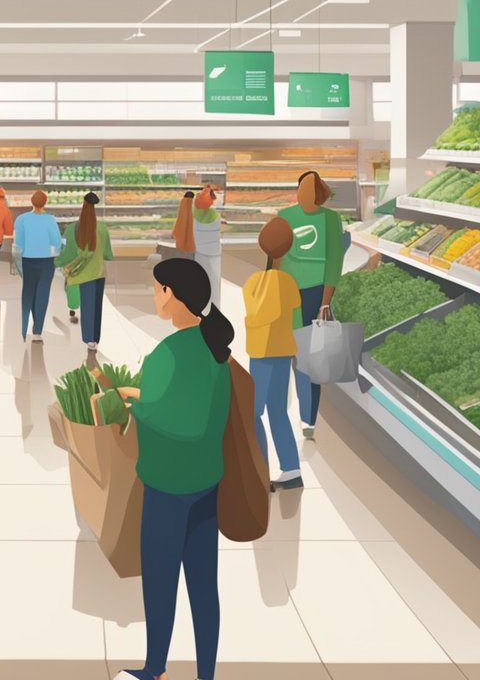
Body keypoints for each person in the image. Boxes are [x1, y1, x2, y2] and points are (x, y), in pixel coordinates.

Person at [114, 258, 233, 680]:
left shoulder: (168, 351)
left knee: (161, 581)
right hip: (206, 480)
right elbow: (204, 410)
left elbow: (185, 422)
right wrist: (148, 400)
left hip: (168, 484)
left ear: (173, 295)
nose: (153, 295)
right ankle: (206, 674)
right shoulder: (214, 345)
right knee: (204, 584)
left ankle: (154, 668)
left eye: (156, 288)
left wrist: (138, 406)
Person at [277, 171, 345, 440]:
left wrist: (324, 302)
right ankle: (287, 412)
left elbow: (334, 262)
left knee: (309, 359)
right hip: (286, 294)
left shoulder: (331, 219)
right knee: (289, 356)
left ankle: (308, 417)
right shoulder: (285, 216)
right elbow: (276, 256)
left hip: (313, 296)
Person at [244, 217, 303, 490]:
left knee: (254, 412)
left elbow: (254, 315)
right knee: (277, 409)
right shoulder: (289, 283)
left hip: (261, 353)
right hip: (283, 352)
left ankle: (258, 471)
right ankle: (291, 470)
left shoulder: (254, 283)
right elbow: (293, 316)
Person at [55, 192, 113, 351]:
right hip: (98, 274)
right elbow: (108, 254)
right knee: (95, 308)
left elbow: (65, 252)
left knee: (85, 308)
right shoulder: (102, 228)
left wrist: (57, 262)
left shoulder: (72, 228)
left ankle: (87, 337)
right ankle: (94, 340)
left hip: (78, 274)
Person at [12, 190, 60, 342]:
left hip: (27, 261)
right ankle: (37, 331)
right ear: (45, 203)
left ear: (31, 202)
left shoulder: (21, 219)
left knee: (29, 292)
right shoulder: (51, 220)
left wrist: (18, 265)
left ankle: (27, 325)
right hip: (46, 262)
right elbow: (57, 242)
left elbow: (17, 245)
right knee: (43, 294)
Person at [193, 185, 222, 307]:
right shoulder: (214, 214)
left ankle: (203, 308)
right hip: (214, 251)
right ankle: (215, 307)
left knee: (201, 282)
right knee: (214, 281)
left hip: (200, 250)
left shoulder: (194, 212)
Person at [170, 190, 196, 260]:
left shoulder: (183, 204)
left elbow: (179, 220)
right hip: (193, 242)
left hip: (180, 244)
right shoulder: (194, 205)